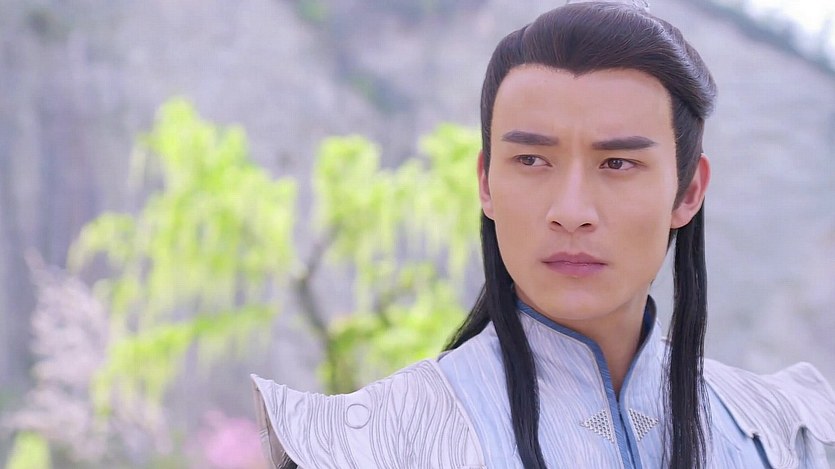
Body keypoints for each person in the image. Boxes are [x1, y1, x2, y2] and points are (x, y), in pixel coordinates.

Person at [250, 2, 835, 468]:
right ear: (485, 183)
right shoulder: (376, 443)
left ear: (688, 191)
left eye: (617, 163)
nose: (571, 212)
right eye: (531, 160)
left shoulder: (783, 436)